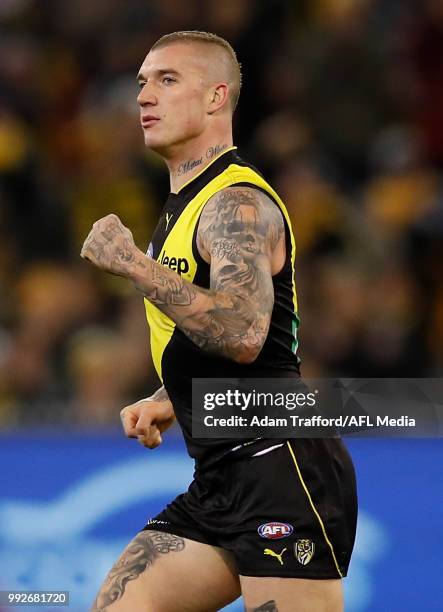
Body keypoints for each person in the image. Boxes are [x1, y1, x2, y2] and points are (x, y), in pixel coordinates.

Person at [81, 30, 357, 612]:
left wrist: (132, 262)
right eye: (140, 83)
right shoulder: (185, 203)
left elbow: (244, 335)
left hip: (280, 469)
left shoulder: (235, 203)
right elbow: (218, 332)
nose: (143, 96)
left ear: (215, 97)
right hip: (221, 476)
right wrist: (171, 396)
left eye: (167, 79)